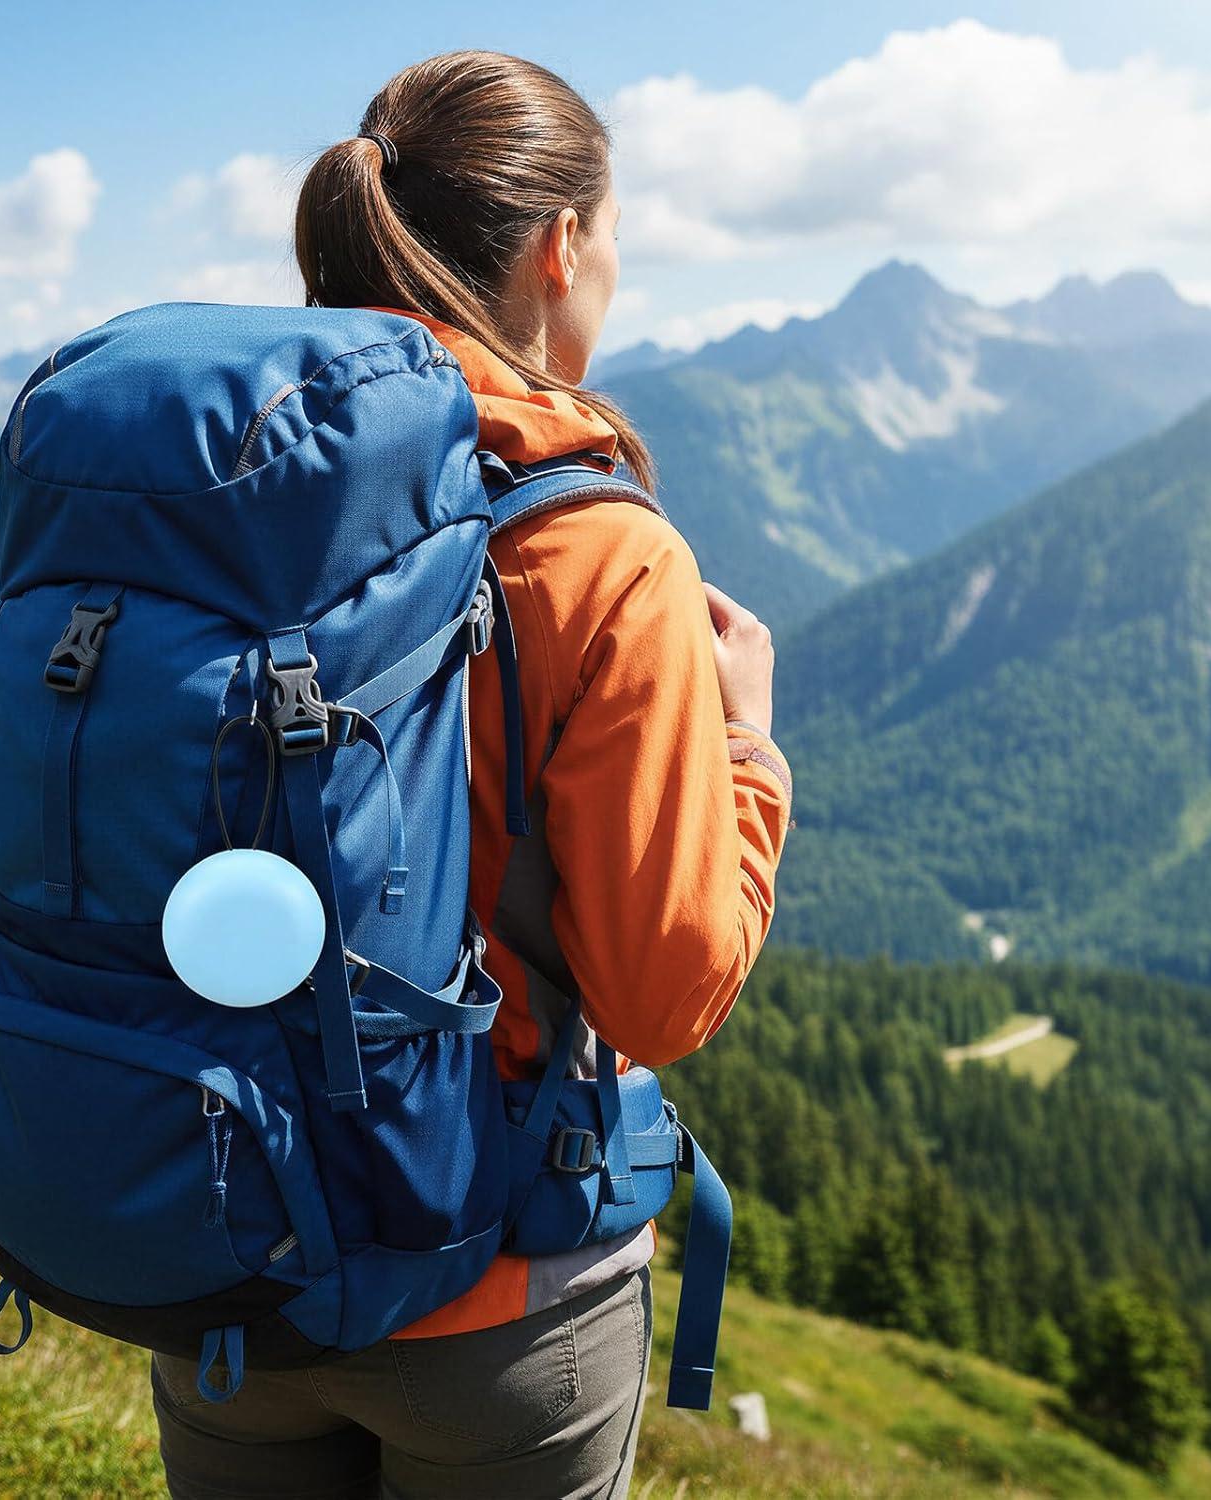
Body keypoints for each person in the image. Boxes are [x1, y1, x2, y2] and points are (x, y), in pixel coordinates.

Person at [150, 49, 793, 1500]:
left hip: (216, 1234)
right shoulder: (597, 547)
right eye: (613, 235)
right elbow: (663, 992)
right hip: (497, 1293)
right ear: (563, 248)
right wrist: (747, 750)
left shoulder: (214, 489)